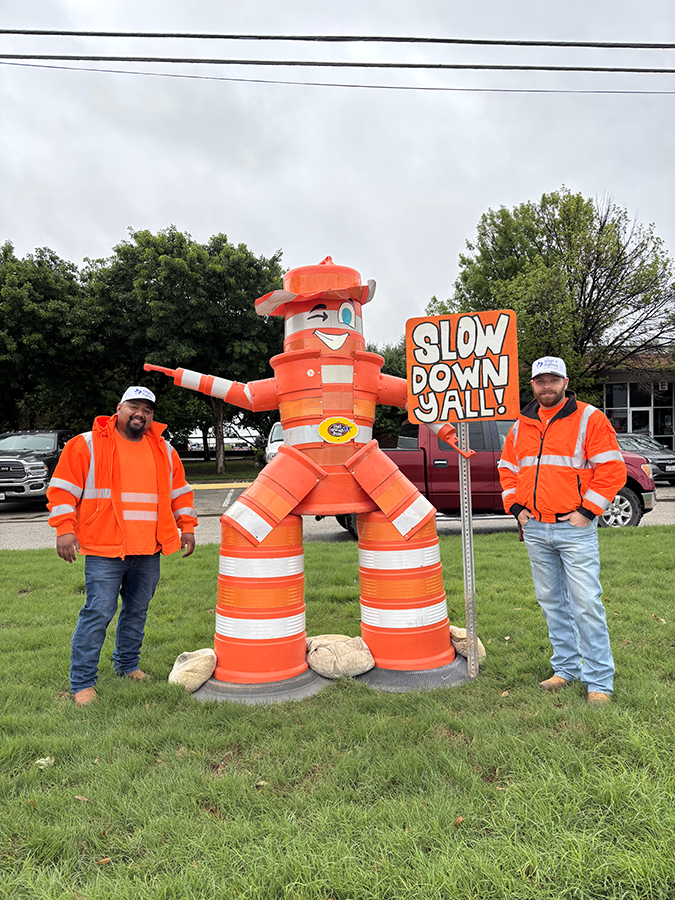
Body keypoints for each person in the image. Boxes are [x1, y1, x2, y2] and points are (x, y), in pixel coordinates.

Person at [47, 386, 198, 706]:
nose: (140, 413)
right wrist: (64, 529)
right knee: (98, 613)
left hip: (148, 550)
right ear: (119, 408)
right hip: (105, 550)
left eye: (147, 409)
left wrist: (187, 527)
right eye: (134, 406)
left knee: (137, 611)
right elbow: (62, 490)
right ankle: (82, 683)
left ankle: (127, 665)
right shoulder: (86, 444)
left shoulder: (164, 450)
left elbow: (180, 493)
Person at [498, 357, 626, 706]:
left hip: (574, 528)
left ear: (566, 382)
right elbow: (507, 469)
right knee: (552, 602)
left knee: (586, 604)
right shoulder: (520, 425)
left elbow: (613, 470)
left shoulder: (589, 418)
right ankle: (566, 668)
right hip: (536, 528)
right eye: (540, 380)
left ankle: (599, 680)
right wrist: (517, 509)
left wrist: (587, 512)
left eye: (553, 379)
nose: (547, 386)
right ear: (533, 384)